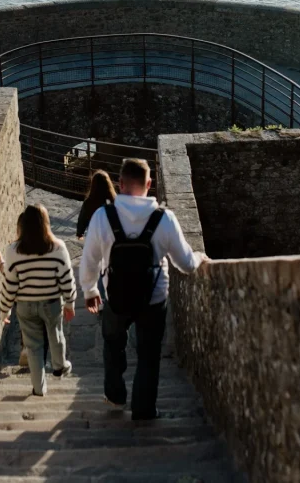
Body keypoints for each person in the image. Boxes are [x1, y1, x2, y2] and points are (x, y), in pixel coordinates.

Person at [80, 159, 210, 420]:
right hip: (153, 298)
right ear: (149, 184)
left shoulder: (102, 217)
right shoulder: (164, 218)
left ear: (121, 183)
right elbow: (185, 264)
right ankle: (143, 409)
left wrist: (89, 290)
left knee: (113, 344)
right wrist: (199, 257)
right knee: (149, 354)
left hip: (115, 296)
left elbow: (90, 259)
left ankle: (115, 395)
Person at [0, 204, 76, 397]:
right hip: (51, 303)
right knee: (56, 334)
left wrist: (4, 310)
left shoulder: (13, 250)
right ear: (46, 223)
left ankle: (38, 389)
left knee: (34, 347)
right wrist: (70, 302)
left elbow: (10, 284)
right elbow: (66, 278)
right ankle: (60, 365)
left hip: (25, 307)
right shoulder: (58, 247)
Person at [77, 169, 117, 239]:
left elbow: (82, 218)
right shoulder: (114, 201)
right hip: (111, 236)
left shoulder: (89, 202)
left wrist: (80, 233)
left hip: (94, 235)